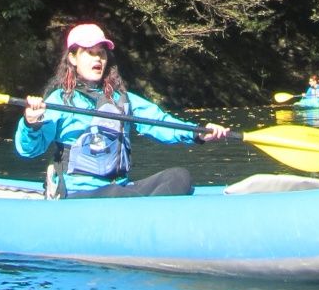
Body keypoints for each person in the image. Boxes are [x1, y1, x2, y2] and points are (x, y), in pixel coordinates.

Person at [16, 22, 230, 198]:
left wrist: (197, 133)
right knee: (116, 193)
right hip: (78, 193)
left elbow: (160, 122)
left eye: (101, 53)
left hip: (120, 188)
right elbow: (29, 150)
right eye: (89, 53)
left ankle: (146, 216)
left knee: (180, 177)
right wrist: (30, 123)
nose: (97, 59)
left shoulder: (122, 100)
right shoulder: (59, 100)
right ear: (73, 58)